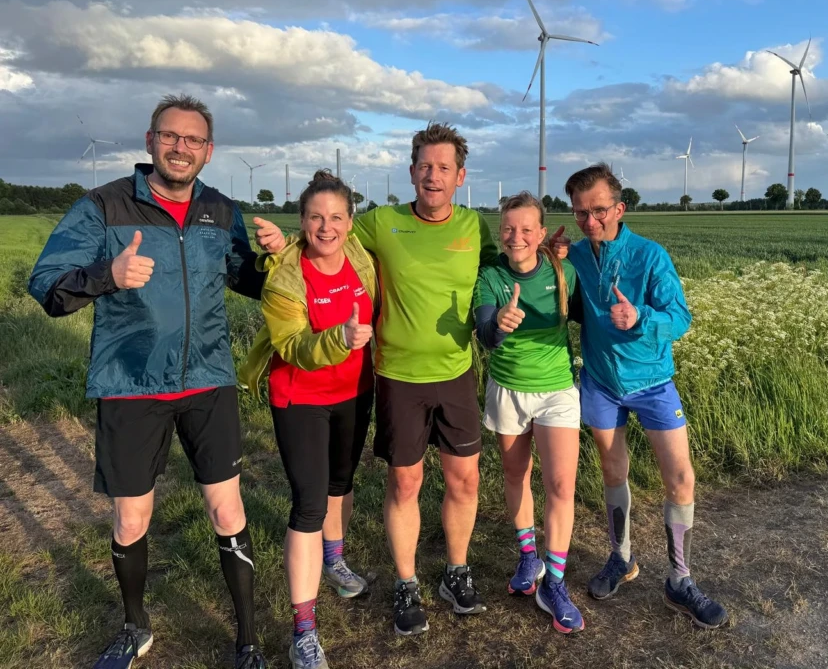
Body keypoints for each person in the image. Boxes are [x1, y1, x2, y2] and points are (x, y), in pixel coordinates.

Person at [28, 94, 286, 669]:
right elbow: (46, 284)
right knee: (131, 518)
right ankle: (134, 626)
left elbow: (245, 279)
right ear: (150, 142)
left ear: (209, 151)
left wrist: (273, 259)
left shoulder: (220, 209)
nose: (180, 147)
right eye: (170, 136)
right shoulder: (104, 205)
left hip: (208, 380)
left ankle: (247, 639)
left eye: (193, 140)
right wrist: (108, 274)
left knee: (228, 513)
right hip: (131, 381)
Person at [556, 162, 728, 629]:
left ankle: (680, 580)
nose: (590, 221)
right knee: (613, 472)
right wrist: (552, 257)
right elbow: (561, 297)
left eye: (598, 210)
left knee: (681, 478)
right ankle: (622, 558)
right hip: (600, 383)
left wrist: (641, 318)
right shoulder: (576, 256)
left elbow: (681, 318)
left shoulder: (650, 256)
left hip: (653, 382)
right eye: (580, 213)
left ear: (620, 208)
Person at [349, 121, 497, 636]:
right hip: (398, 375)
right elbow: (327, 239)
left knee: (465, 479)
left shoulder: (475, 226)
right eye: (425, 167)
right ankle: (407, 582)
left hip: (456, 372)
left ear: (461, 177)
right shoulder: (380, 222)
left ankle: (456, 571)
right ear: (411, 172)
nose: (434, 176)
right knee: (405, 481)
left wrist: (552, 258)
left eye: (444, 168)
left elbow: (505, 271)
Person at [239, 171, 377, 669]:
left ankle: (334, 561)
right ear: (301, 221)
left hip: (356, 392)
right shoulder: (285, 278)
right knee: (309, 506)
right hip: (301, 398)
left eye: (336, 217)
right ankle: (303, 631)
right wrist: (340, 338)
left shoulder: (360, 256)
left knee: (341, 483)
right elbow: (294, 346)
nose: (326, 227)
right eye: (316, 218)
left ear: (350, 222)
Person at [473, 191, 584, 633]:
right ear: (500, 232)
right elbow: (485, 334)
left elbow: (586, 313)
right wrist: (499, 325)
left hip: (557, 389)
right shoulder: (490, 276)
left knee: (560, 485)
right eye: (508, 228)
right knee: (515, 475)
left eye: (525, 229)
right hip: (507, 388)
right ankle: (528, 557)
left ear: (541, 234)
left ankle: (554, 583)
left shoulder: (564, 272)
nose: (515, 236)